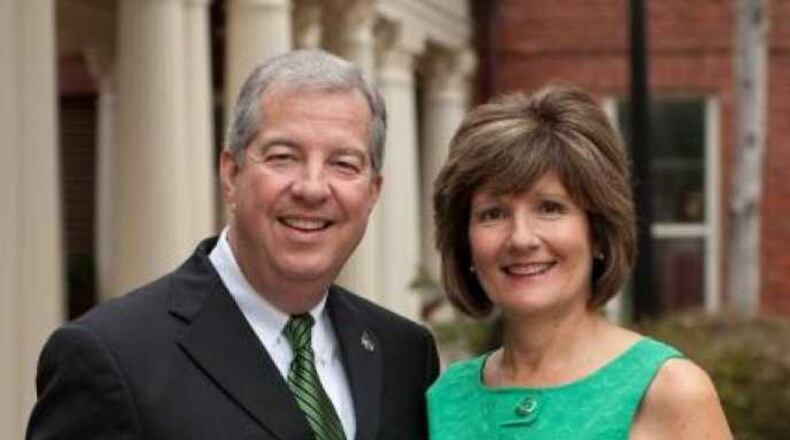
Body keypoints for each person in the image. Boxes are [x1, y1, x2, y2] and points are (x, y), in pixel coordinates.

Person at [27, 49, 439, 440]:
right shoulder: (111, 356)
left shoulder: (405, 355)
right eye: (283, 156)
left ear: (372, 192)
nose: (312, 188)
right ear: (230, 174)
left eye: (343, 164)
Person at [428, 86, 732, 439]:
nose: (521, 238)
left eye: (550, 208)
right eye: (493, 214)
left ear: (599, 232)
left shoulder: (669, 391)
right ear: (465, 243)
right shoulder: (444, 398)